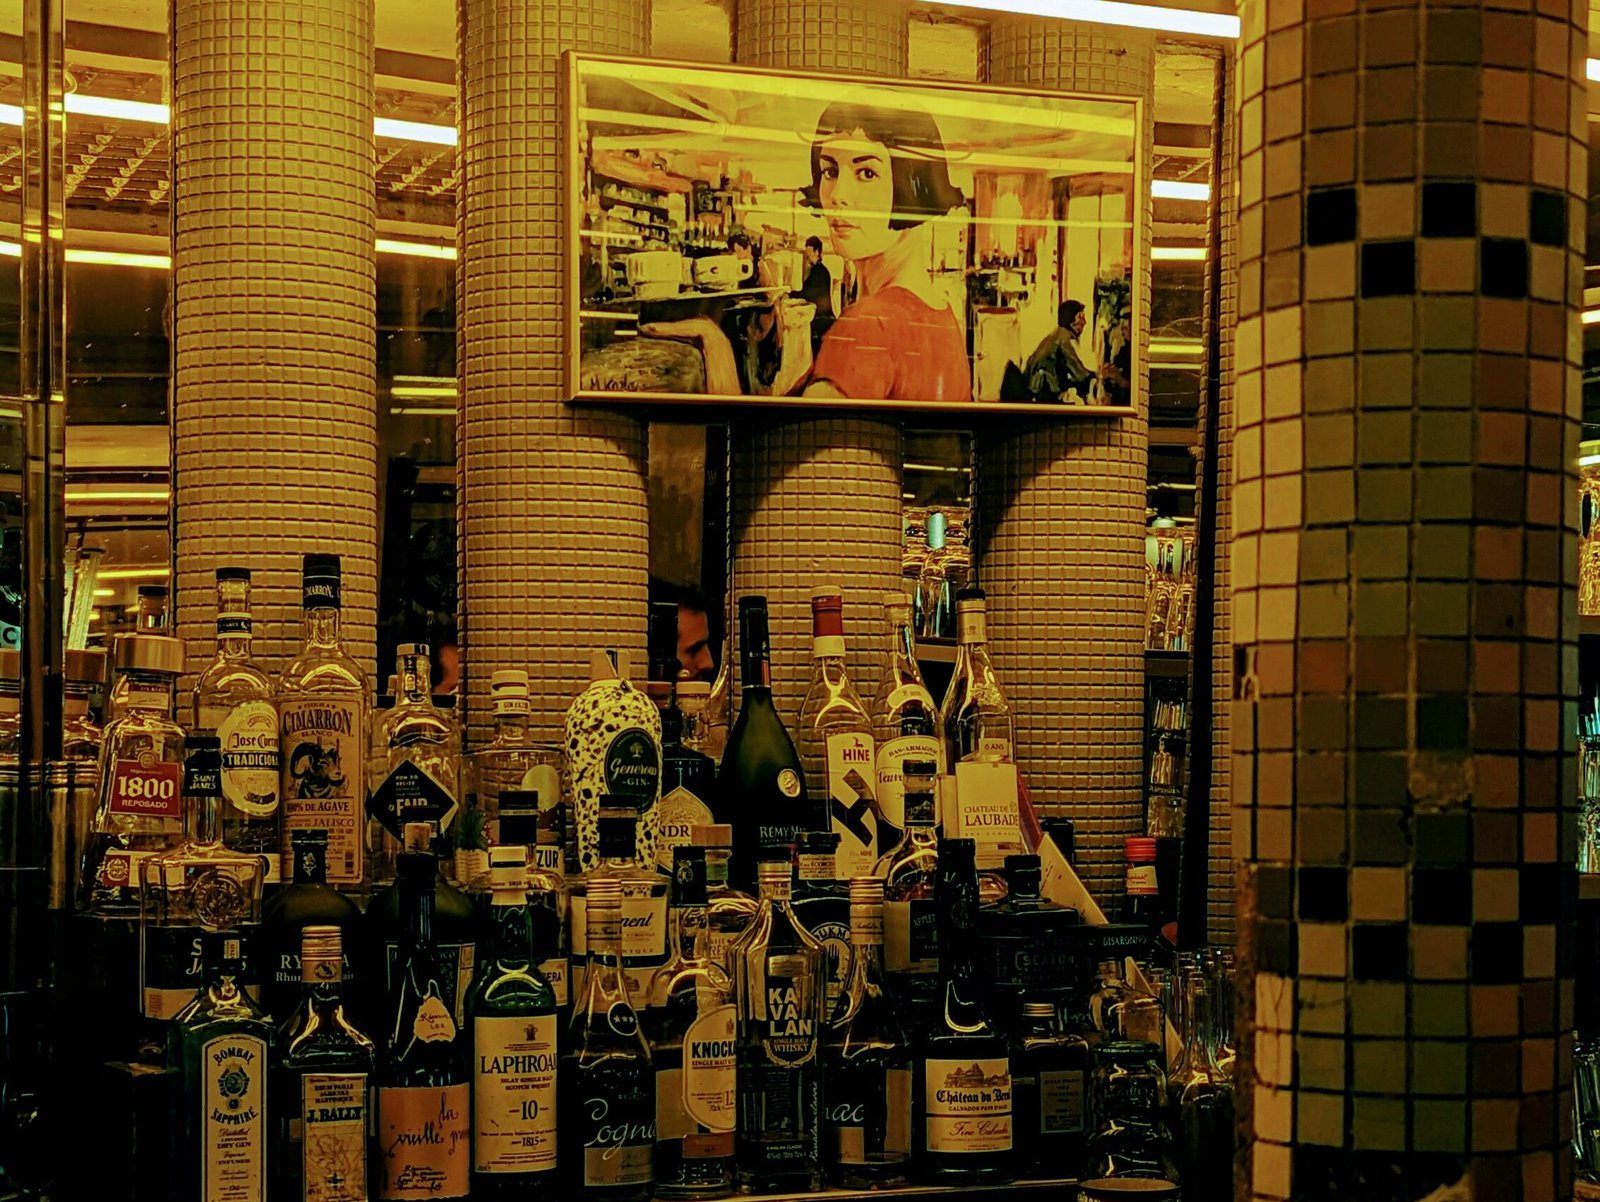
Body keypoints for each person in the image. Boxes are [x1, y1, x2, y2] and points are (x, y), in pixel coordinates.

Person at [643, 98, 971, 404]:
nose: (838, 194)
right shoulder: (940, 314)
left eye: (866, 173)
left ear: (914, 183)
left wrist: (713, 343)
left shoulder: (869, 325)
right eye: (830, 171)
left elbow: (781, 457)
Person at [1024, 299, 1095, 403]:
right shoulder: (1063, 338)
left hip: (1040, 385)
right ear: (1072, 321)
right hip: (1043, 389)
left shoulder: (1058, 334)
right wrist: (1094, 376)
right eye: (1081, 317)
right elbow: (1076, 369)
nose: (1085, 322)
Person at [795, 234, 834, 351]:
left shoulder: (820, 273)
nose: (807, 258)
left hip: (821, 321)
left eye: (809, 254)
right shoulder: (818, 271)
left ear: (817, 252)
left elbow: (808, 293)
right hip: (821, 319)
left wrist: (791, 295)